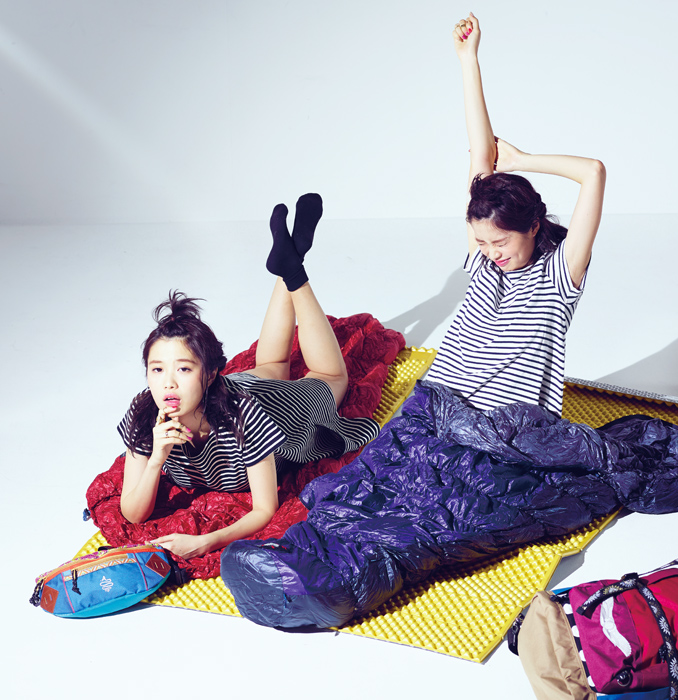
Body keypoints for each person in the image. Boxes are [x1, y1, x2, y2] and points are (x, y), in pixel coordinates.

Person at [117, 195, 379, 559]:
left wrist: (205, 542)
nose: (168, 384)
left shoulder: (245, 420)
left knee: (332, 376)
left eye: (184, 368)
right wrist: (156, 458)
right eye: (157, 369)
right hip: (235, 386)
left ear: (210, 373)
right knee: (273, 363)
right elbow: (132, 512)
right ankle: (289, 260)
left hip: (274, 408)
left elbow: (264, 509)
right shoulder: (145, 412)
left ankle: (295, 274)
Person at [427, 12, 606, 416]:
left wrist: (523, 160)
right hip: (437, 410)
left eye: (501, 242)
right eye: (483, 242)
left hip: (507, 430)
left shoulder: (559, 275)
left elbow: (593, 172)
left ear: (533, 226)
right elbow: (481, 153)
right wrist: (468, 59)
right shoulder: (483, 263)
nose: (491, 252)